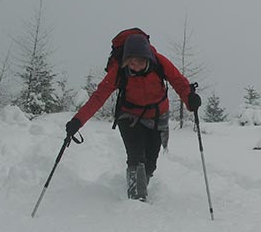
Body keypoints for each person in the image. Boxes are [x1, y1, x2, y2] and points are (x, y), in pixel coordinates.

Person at [65, 32, 201, 201]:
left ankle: (141, 181)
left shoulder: (159, 62)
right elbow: (98, 97)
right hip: (129, 116)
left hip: (157, 116)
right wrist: (77, 121)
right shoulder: (119, 71)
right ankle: (137, 200)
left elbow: (179, 82)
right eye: (132, 62)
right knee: (137, 157)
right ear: (127, 60)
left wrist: (190, 99)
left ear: (147, 58)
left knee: (150, 163)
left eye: (141, 61)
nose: (136, 66)